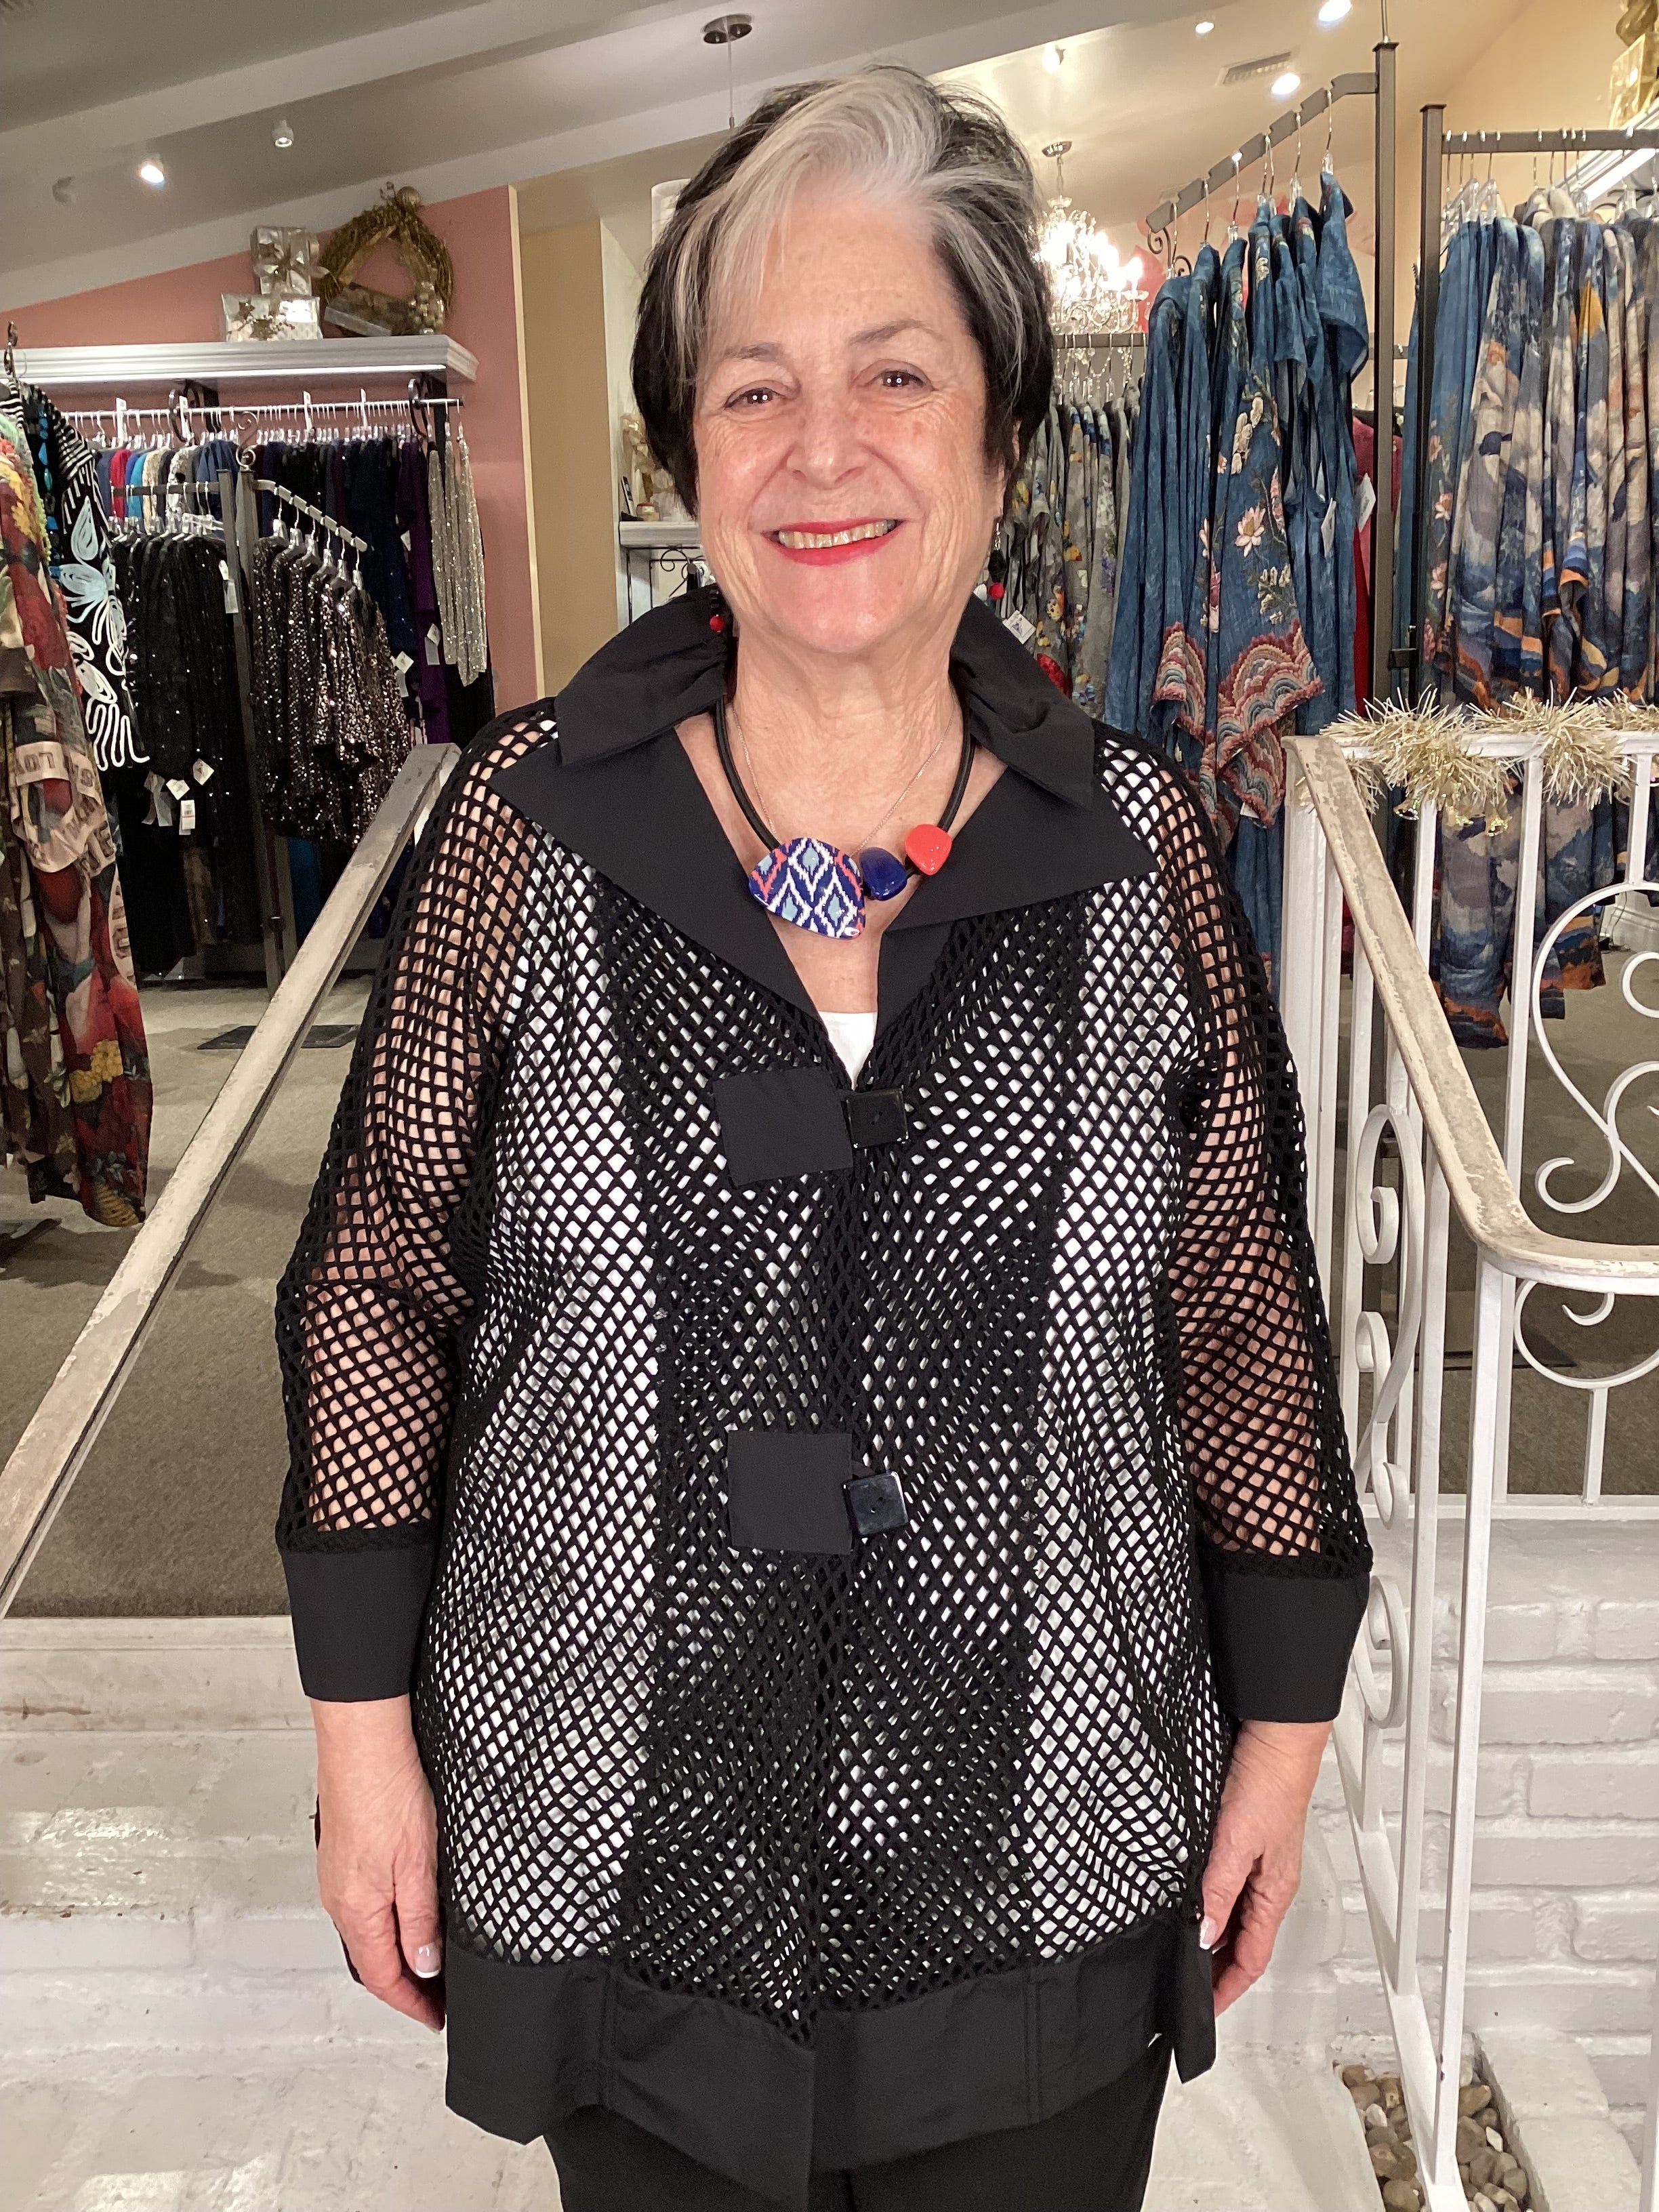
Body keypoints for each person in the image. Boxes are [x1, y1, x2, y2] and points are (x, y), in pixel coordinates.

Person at [276, 66, 1371, 2212]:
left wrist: (1287, 1727)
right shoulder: (526, 824)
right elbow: (381, 1275)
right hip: (616, 1845)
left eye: (895, 373)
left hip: (1045, 1859)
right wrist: (359, 1734)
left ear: (1000, 433)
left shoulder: (1132, 847)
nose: (824, 448)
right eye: (754, 390)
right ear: (689, 452)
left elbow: (1240, 1300)